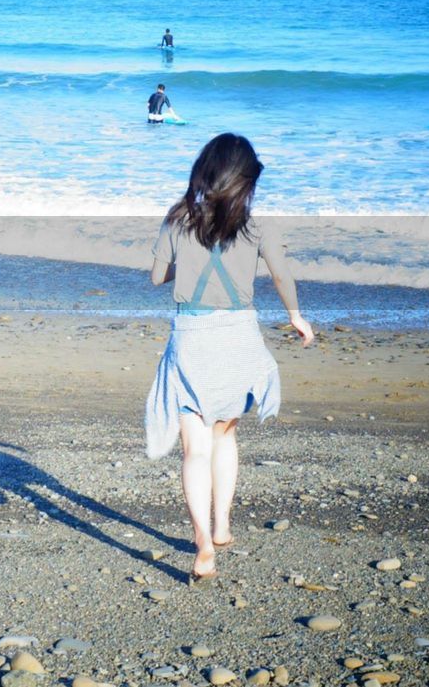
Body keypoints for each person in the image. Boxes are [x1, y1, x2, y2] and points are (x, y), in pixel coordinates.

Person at [146, 133, 314, 583]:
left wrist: (191, 265)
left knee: (194, 449)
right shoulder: (258, 227)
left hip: (193, 339)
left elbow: (158, 276)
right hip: (240, 337)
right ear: (246, 181)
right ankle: (222, 527)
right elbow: (282, 276)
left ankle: (202, 544)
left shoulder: (179, 219)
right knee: (225, 438)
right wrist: (297, 318)